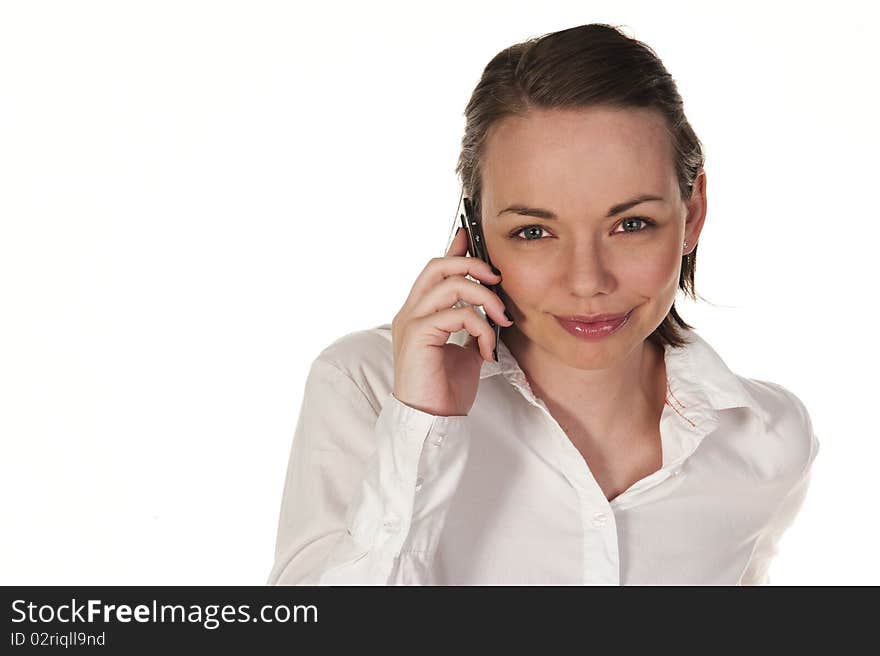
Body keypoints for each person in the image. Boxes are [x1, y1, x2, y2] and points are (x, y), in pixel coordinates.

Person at [267, 23, 819, 585]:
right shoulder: (366, 385)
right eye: (534, 231)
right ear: (474, 229)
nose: (586, 282)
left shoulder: (768, 440)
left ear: (692, 214)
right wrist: (420, 429)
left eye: (631, 224)